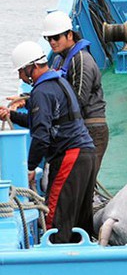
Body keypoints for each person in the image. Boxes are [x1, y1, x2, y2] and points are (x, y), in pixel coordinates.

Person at [0, 41, 97, 243]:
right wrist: (11, 115)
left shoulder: (42, 91)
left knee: (55, 220)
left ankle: (55, 265)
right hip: (85, 152)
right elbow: (41, 121)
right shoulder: (59, 82)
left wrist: (30, 167)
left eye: (21, 71)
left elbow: (41, 135)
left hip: (70, 155)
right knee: (80, 220)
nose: (20, 77)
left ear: (32, 67)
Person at [42, 10, 109, 175]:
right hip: (76, 128)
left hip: (92, 128)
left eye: (56, 37)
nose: (52, 42)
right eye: (48, 38)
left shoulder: (81, 60)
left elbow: (79, 100)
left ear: (70, 35)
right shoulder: (60, 60)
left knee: (83, 181)